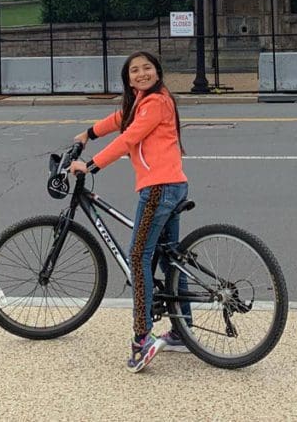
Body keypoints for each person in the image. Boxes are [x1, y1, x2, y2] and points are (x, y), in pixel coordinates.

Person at [69, 50, 190, 373]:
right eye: (134, 70)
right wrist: (88, 134)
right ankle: (182, 329)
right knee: (168, 258)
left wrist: (90, 165)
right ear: (128, 78)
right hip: (172, 185)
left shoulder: (155, 103)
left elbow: (129, 137)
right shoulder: (141, 101)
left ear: (158, 71)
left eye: (146, 68)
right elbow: (119, 119)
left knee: (138, 258)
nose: (141, 74)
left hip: (158, 189)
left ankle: (142, 339)